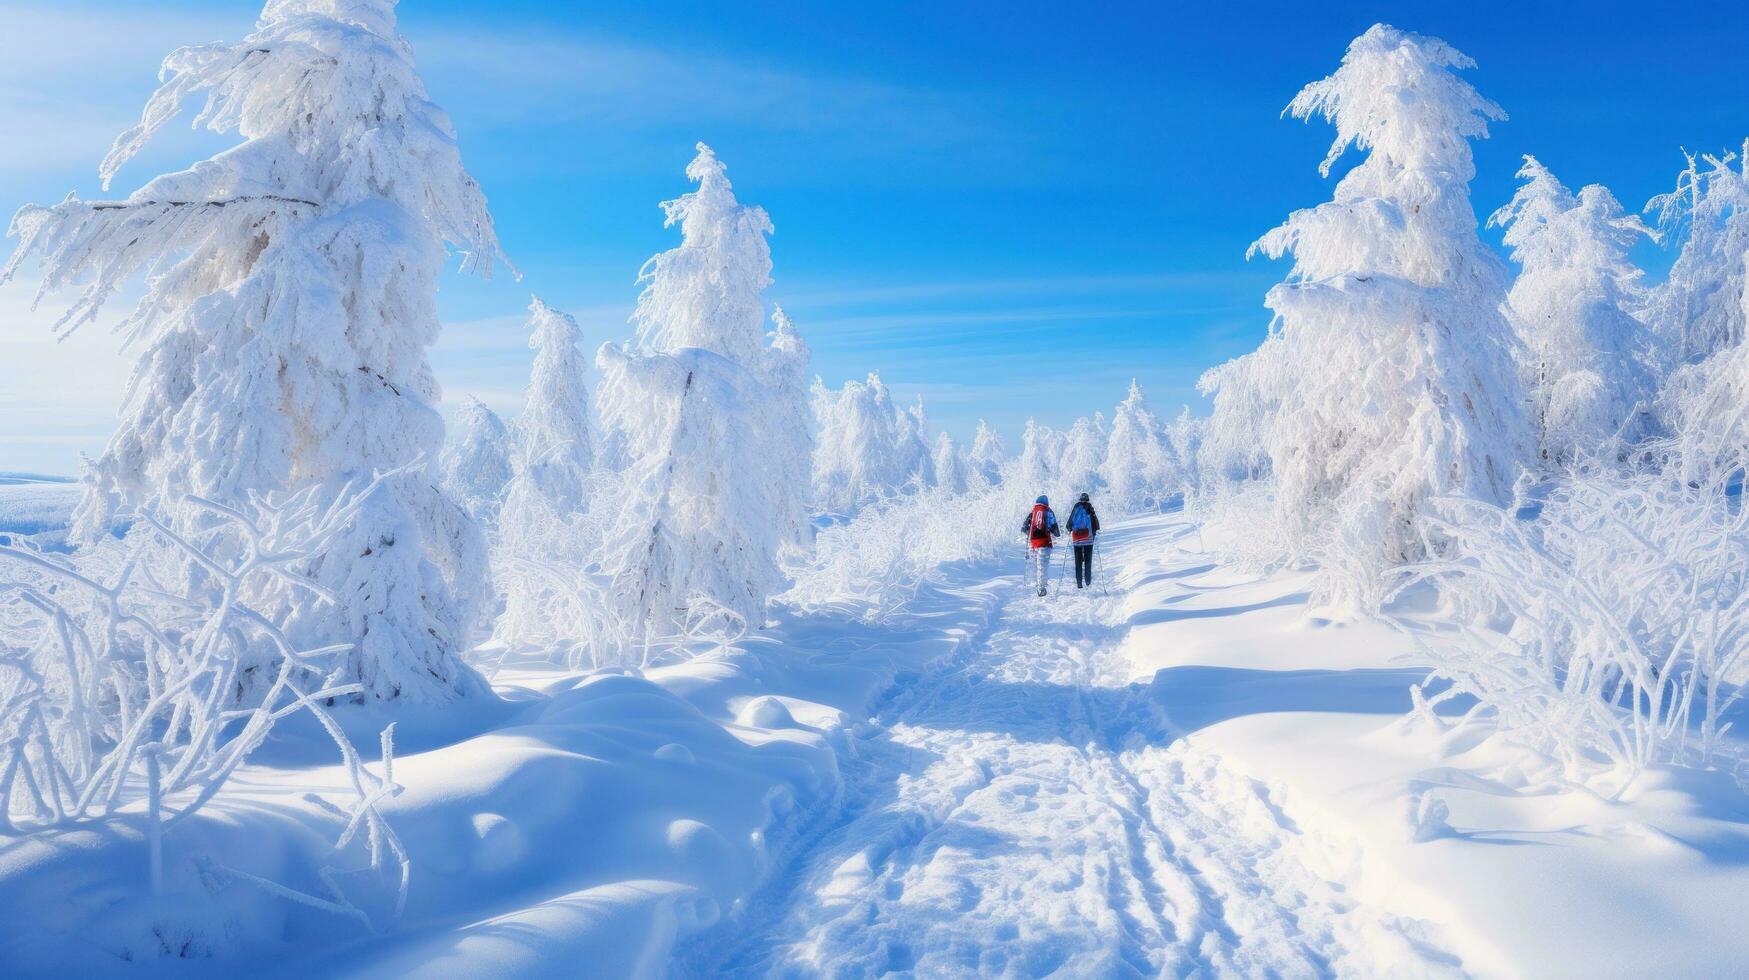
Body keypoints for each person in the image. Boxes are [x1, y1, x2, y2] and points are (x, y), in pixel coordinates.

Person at [1020, 494, 1059, 596]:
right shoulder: (1048, 511)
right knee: (1042, 566)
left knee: (1035, 565)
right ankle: (1041, 588)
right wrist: (1056, 533)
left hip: (1033, 543)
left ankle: (1034, 584)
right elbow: (1054, 528)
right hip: (1045, 542)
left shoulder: (1033, 512)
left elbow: (1024, 528)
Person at [1067, 492, 1101, 589]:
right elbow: (1095, 523)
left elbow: (1069, 524)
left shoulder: (1076, 507)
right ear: (1088, 499)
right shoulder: (1090, 507)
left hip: (1077, 538)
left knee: (1078, 561)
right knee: (1088, 560)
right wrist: (1094, 532)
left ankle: (1079, 583)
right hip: (1088, 539)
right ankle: (1088, 581)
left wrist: (1071, 529)